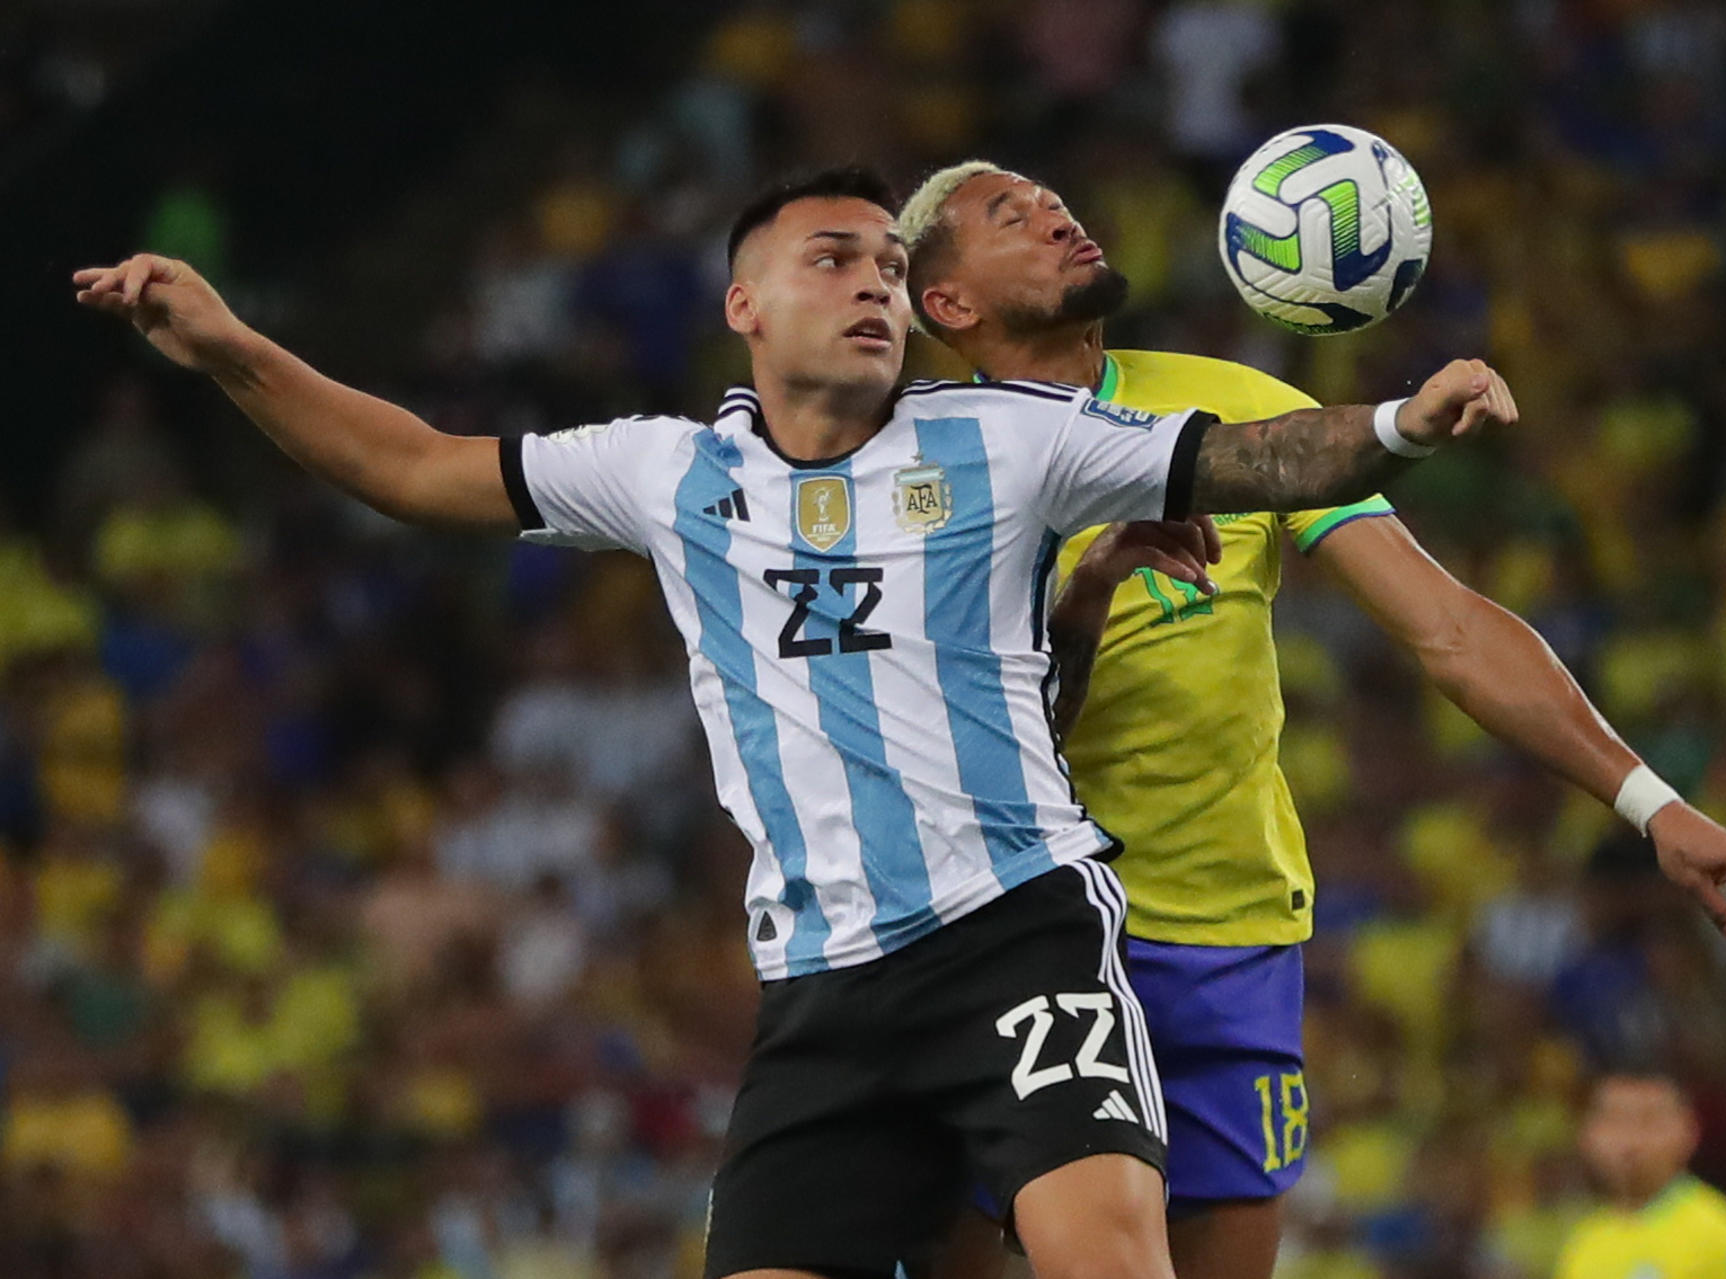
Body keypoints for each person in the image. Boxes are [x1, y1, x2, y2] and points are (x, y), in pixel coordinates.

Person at [74, 166, 1516, 1279]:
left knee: (1110, 1253)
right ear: (745, 306)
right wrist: (225, 347)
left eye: (892, 263)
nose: (875, 284)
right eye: (835, 259)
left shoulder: (1005, 439)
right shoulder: (661, 473)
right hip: (826, 985)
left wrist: (1395, 424)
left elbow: (1249, 455)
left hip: (1017, 930)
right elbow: (408, 465)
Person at [896, 161, 1726, 1279]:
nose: (1055, 212)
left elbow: (1451, 630)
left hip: (1219, 938)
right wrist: (1082, 600)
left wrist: (1651, 805)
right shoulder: (912, 469)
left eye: (1052, 199)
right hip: (1012, 933)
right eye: (1007, 216)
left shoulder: (1232, 410)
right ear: (949, 304)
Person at [1555, 1070, 1726, 1278]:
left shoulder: (1722, 1235)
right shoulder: (1583, 1242)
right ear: (1587, 1134)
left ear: (1688, 1131)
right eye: (1615, 1119)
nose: (1629, 1140)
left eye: (1648, 1121)